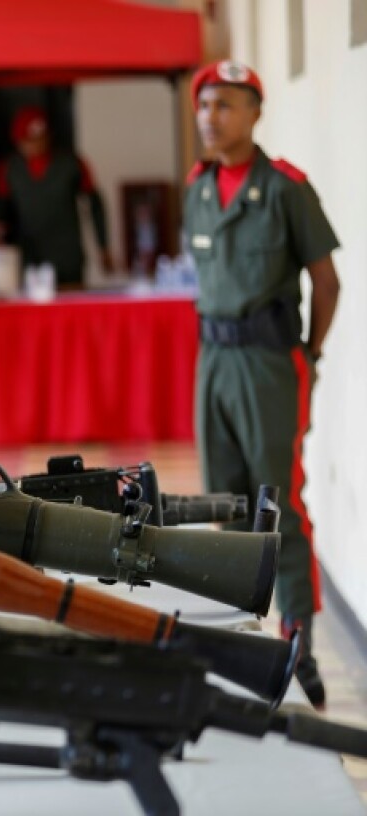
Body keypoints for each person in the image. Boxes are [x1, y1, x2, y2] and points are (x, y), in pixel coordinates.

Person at [184, 60, 340, 709]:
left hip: (270, 364)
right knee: (227, 501)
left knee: (279, 501)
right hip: (212, 361)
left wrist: (306, 353)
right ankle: (239, 632)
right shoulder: (196, 189)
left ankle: (296, 632)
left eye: (225, 106)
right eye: (205, 105)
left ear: (254, 114)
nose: (210, 118)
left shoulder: (285, 190)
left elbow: (326, 283)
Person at [0, 106, 113, 287]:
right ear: (18, 141)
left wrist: (103, 246)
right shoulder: (9, 169)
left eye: (40, 138)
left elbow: (95, 205)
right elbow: (1, 209)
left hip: (67, 255)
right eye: (29, 140)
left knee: (70, 307)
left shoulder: (72, 163)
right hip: (29, 254)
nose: (36, 145)